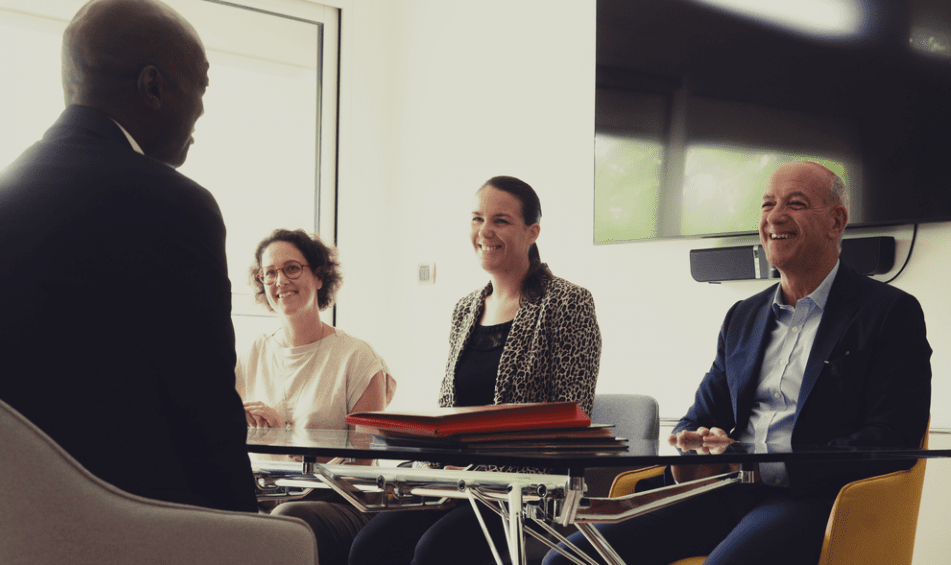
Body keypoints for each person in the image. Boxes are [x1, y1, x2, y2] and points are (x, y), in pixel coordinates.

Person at [544, 161, 932, 565]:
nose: (774, 217)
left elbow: (893, 438)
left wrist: (769, 468)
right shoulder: (742, 317)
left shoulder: (888, 312)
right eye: (767, 205)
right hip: (723, 494)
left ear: (836, 222)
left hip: (818, 499)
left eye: (795, 204)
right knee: (568, 559)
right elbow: (695, 421)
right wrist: (693, 458)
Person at [0, 0, 257, 512]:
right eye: (201, 84)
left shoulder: (0, 198)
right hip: (132, 519)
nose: (203, 106)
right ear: (152, 85)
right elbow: (206, 415)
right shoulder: (175, 205)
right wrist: (248, 533)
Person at [349, 175, 603, 565]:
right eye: (477, 218)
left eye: (500, 220)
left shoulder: (568, 302)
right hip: (454, 482)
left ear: (532, 232)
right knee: (370, 547)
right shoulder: (465, 309)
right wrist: (434, 469)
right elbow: (449, 411)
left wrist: (476, 472)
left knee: (435, 551)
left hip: (526, 492)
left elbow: (570, 420)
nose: (485, 231)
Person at [237, 228, 396, 565]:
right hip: (267, 495)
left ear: (320, 276)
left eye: (292, 268)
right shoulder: (251, 353)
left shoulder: (358, 358)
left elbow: (360, 467)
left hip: (341, 504)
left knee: (288, 516)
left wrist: (285, 436)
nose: (280, 280)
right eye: (269, 273)